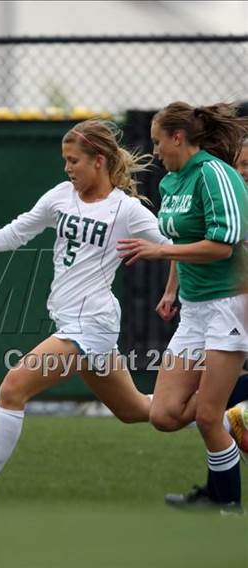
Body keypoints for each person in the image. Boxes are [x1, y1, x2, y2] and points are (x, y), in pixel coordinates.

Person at [0, 118, 246, 509]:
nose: (67, 168)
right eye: (65, 160)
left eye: (74, 160)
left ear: (99, 160)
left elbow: (177, 245)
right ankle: (233, 403)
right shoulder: (60, 196)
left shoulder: (126, 211)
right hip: (75, 325)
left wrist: (178, 286)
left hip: (91, 326)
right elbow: (16, 232)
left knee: (12, 387)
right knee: (142, 410)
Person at [117, 102, 248, 513]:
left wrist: (156, 252)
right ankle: (237, 399)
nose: (154, 151)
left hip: (229, 305)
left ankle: (224, 503)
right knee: (164, 413)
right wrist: (172, 289)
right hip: (194, 309)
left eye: (158, 142)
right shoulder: (172, 183)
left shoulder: (215, 174)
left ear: (178, 137)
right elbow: (180, 243)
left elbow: (222, 245)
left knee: (210, 418)